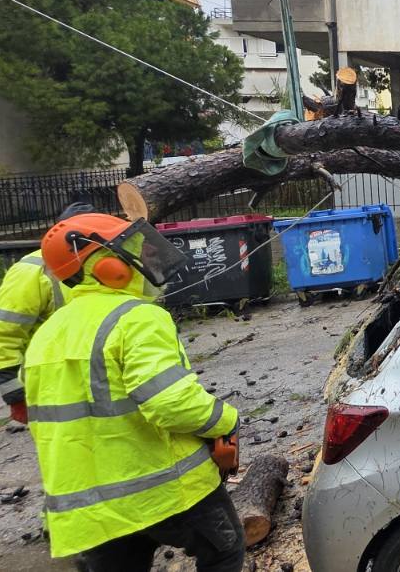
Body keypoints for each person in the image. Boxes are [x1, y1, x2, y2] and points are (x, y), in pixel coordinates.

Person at [28, 213, 242, 571]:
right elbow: (172, 404)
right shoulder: (136, 317)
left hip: (91, 509)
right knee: (224, 551)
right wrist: (227, 419)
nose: (148, 258)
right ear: (108, 265)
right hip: (163, 488)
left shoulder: (46, 334)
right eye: (135, 251)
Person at [0, 202, 95, 424]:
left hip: (100, 381)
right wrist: (15, 396)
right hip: (53, 385)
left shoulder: (107, 265)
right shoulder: (31, 271)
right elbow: (0, 338)